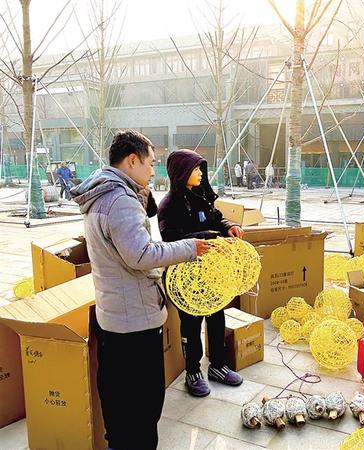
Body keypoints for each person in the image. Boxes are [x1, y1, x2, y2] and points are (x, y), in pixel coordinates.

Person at [70, 130, 210, 449]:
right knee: (142, 411)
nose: (153, 170)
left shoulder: (105, 193)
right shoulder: (119, 200)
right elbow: (141, 255)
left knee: (118, 407)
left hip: (114, 316)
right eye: (151, 162)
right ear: (132, 160)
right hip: (134, 324)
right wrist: (190, 248)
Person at [157, 149, 244, 398]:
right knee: (191, 325)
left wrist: (228, 227)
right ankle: (193, 372)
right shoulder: (168, 206)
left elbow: (216, 218)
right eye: (195, 170)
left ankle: (217, 365)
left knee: (217, 318)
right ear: (181, 172)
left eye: (200, 169)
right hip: (185, 280)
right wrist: (207, 237)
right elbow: (170, 240)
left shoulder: (201, 196)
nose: (200, 174)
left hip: (210, 274)